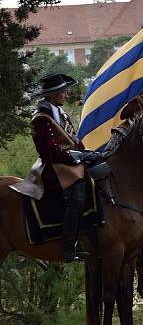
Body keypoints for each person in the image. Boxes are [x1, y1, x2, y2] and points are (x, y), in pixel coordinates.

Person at [30, 73, 88, 262]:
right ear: (53, 94)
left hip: (67, 163)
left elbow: (73, 140)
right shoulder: (41, 119)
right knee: (77, 198)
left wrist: (86, 152)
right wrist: (74, 157)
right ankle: (68, 246)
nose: (67, 95)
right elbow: (49, 153)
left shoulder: (60, 113)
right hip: (53, 167)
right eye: (63, 92)